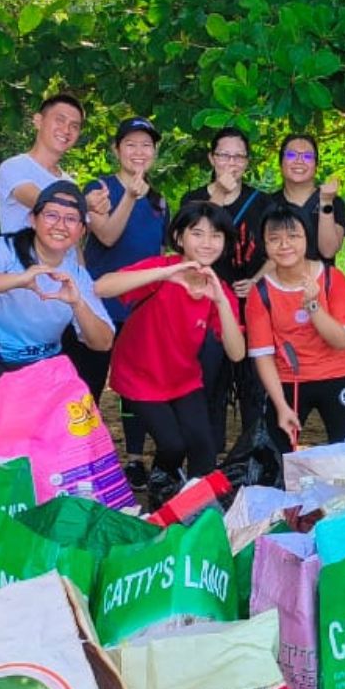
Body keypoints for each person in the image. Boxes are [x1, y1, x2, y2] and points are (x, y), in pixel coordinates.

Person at [92, 202, 246, 493]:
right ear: (179, 238)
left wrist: (222, 302)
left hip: (183, 379)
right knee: (173, 445)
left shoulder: (220, 289)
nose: (206, 243)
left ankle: (198, 511)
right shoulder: (161, 270)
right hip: (138, 377)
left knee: (204, 446)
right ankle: (162, 492)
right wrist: (165, 274)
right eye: (197, 233)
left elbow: (236, 352)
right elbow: (102, 287)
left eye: (216, 236)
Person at [0, 180, 114, 392]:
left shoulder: (77, 275)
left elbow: (103, 342)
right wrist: (18, 280)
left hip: (41, 365)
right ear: (33, 219)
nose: (60, 225)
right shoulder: (4, 250)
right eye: (51, 215)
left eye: (71, 219)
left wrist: (78, 304)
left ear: (81, 231)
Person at [82, 117, 170, 481]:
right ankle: (81, 456)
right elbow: (106, 237)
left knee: (135, 386)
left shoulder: (159, 200)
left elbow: (159, 252)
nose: (139, 151)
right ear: (117, 149)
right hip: (100, 306)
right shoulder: (99, 189)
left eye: (146, 145)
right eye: (130, 144)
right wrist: (129, 198)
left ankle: (134, 458)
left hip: (141, 309)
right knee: (88, 383)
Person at [182, 127, 271, 447]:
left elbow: (280, 247)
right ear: (211, 158)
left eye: (238, 156)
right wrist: (218, 193)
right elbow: (186, 241)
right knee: (208, 383)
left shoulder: (262, 202)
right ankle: (207, 458)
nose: (231, 162)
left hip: (250, 307)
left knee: (252, 386)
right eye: (223, 155)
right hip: (204, 305)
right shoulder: (194, 199)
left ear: (247, 162)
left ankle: (253, 455)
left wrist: (258, 279)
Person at [250, 204, 345, 448]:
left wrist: (313, 306)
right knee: (278, 459)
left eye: (293, 236)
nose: (284, 245)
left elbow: (341, 341)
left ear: (306, 238)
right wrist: (281, 406)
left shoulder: (333, 279)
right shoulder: (260, 292)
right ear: (264, 245)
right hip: (289, 380)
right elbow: (263, 356)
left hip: (337, 374)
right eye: (274, 239)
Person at [0, 92, 84, 233]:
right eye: (60, 120)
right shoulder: (14, 167)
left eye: (74, 126)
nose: (66, 130)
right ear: (38, 121)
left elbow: (75, 243)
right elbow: (43, 204)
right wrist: (85, 203)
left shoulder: (70, 184)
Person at [271, 132, 345, 266]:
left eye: (307, 156)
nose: (299, 161)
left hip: (322, 284)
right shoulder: (267, 203)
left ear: (316, 166)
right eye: (291, 155)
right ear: (281, 163)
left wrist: (326, 202)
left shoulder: (335, 202)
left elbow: (328, 251)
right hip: (279, 284)